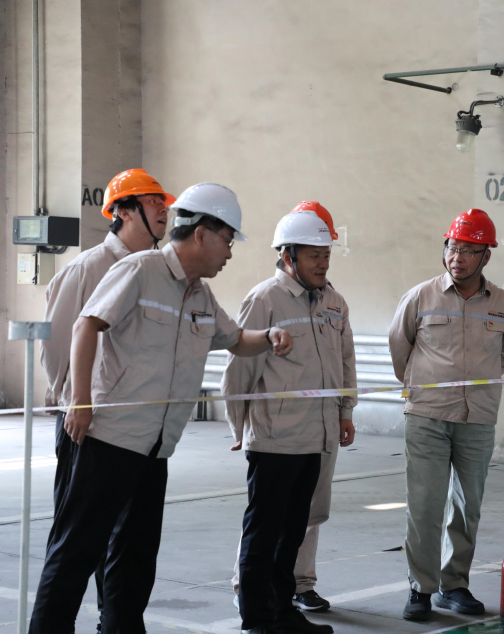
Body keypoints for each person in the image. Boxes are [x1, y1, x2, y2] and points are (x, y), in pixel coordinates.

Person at [29, 183, 293, 634]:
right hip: (108, 438)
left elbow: (235, 340)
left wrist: (268, 337)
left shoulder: (200, 295)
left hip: (156, 450)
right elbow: (85, 326)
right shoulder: (139, 270)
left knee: (135, 560)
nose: (229, 252)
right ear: (202, 234)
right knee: (76, 553)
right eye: (228, 240)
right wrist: (80, 402)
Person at [39, 168, 173, 631]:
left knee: (132, 542)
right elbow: (58, 345)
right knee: (81, 539)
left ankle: (116, 622)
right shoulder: (88, 268)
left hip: (138, 429)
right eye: (152, 201)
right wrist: (76, 403)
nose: (164, 209)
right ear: (124, 211)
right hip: (88, 424)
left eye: (163, 202)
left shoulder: (155, 271)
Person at [223, 204, 355, 634]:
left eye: (326, 254)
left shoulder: (334, 301)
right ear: (287, 255)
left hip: (316, 436)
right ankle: (256, 618)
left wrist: (345, 412)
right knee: (264, 532)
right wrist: (239, 426)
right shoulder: (265, 299)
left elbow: (345, 362)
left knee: (293, 531)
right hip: (275, 438)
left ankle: (283, 611)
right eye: (314, 254)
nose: (323, 263)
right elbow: (239, 371)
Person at [389, 208, 504, 621]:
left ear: (486, 256)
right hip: (427, 415)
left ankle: (454, 584)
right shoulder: (420, 297)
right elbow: (399, 347)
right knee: (425, 505)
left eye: (468, 250)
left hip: (477, 417)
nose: (457, 257)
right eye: (452, 248)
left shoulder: (502, 304)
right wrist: (423, 385)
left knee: (467, 505)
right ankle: (420, 588)